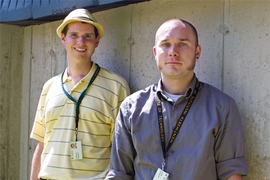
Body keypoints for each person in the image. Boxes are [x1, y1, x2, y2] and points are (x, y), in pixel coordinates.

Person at [106, 19, 248, 180]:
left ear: (197, 52)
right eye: (165, 44)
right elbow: (120, 174)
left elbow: (231, 173)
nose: (173, 52)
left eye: (183, 44)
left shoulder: (222, 107)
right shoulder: (130, 108)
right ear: (155, 52)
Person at [30, 8, 130, 180]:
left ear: (97, 40)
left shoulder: (116, 87)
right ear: (63, 38)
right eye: (74, 35)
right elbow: (42, 145)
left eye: (88, 36)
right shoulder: (49, 87)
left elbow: (122, 150)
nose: (81, 41)